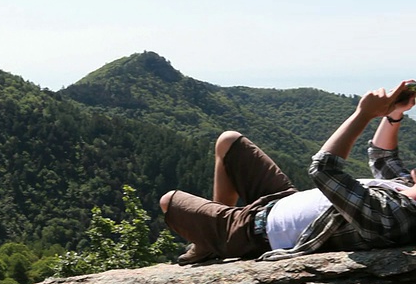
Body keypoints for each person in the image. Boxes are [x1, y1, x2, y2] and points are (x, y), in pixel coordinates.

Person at [160, 80, 416, 265]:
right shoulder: (403, 188)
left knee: (169, 200)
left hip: (254, 232)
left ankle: (219, 238)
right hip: (279, 200)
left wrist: (363, 114)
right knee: (229, 141)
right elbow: (382, 156)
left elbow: (323, 169)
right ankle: (211, 237)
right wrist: (394, 113)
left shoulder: (394, 216)